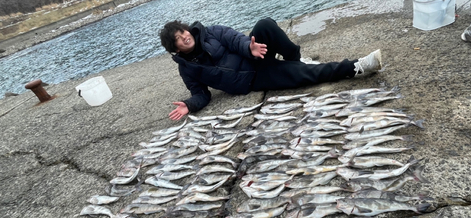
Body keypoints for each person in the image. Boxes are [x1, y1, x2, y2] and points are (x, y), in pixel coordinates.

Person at [159, 18, 382, 121]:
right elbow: (201, 94)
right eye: (178, 39)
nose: (184, 37)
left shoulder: (211, 32)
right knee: (305, 76)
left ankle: (294, 57)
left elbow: (235, 39)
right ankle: (357, 66)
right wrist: (190, 104)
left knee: (265, 25)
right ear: (175, 48)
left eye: (183, 32)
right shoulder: (187, 67)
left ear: (187, 29)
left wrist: (249, 47)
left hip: (254, 56)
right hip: (254, 80)